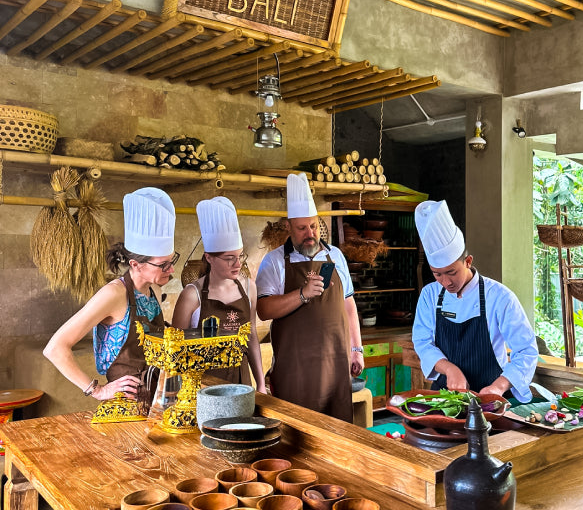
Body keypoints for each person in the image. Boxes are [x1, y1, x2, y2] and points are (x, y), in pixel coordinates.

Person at [44, 187, 177, 402]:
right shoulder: (114, 294)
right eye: (163, 265)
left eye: (172, 261)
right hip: (126, 404)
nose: (171, 270)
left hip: (158, 398)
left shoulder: (154, 288)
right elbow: (55, 348)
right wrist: (96, 390)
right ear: (135, 264)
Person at [256, 173, 363, 422]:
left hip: (336, 364)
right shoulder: (273, 262)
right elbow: (263, 309)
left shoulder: (336, 256)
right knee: (295, 433)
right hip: (296, 369)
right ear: (288, 227)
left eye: (313, 226)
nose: (310, 233)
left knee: (339, 433)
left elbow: (349, 305)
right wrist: (302, 294)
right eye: (302, 228)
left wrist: (356, 349)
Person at [412, 200, 538, 403]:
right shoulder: (429, 295)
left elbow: (526, 350)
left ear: (468, 262)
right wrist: (449, 369)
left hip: (489, 398)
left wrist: (498, 387)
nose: (445, 282)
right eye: (437, 274)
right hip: (445, 399)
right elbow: (422, 342)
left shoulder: (500, 297)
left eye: (451, 273)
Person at [172, 196, 266, 392]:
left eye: (240, 256)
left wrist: (261, 384)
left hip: (241, 382)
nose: (238, 264)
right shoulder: (192, 295)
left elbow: (252, 336)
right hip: (203, 385)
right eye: (229, 258)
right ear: (209, 258)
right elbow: (176, 349)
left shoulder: (249, 287)